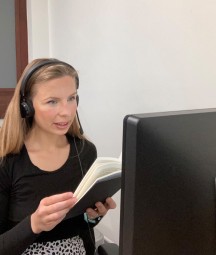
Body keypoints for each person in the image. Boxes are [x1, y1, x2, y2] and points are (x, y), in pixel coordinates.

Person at [0, 58, 116, 255]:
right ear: (26, 106)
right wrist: (34, 224)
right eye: (52, 101)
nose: (66, 111)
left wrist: (93, 216)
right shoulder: (7, 159)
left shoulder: (85, 152)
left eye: (71, 98)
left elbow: (81, 226)